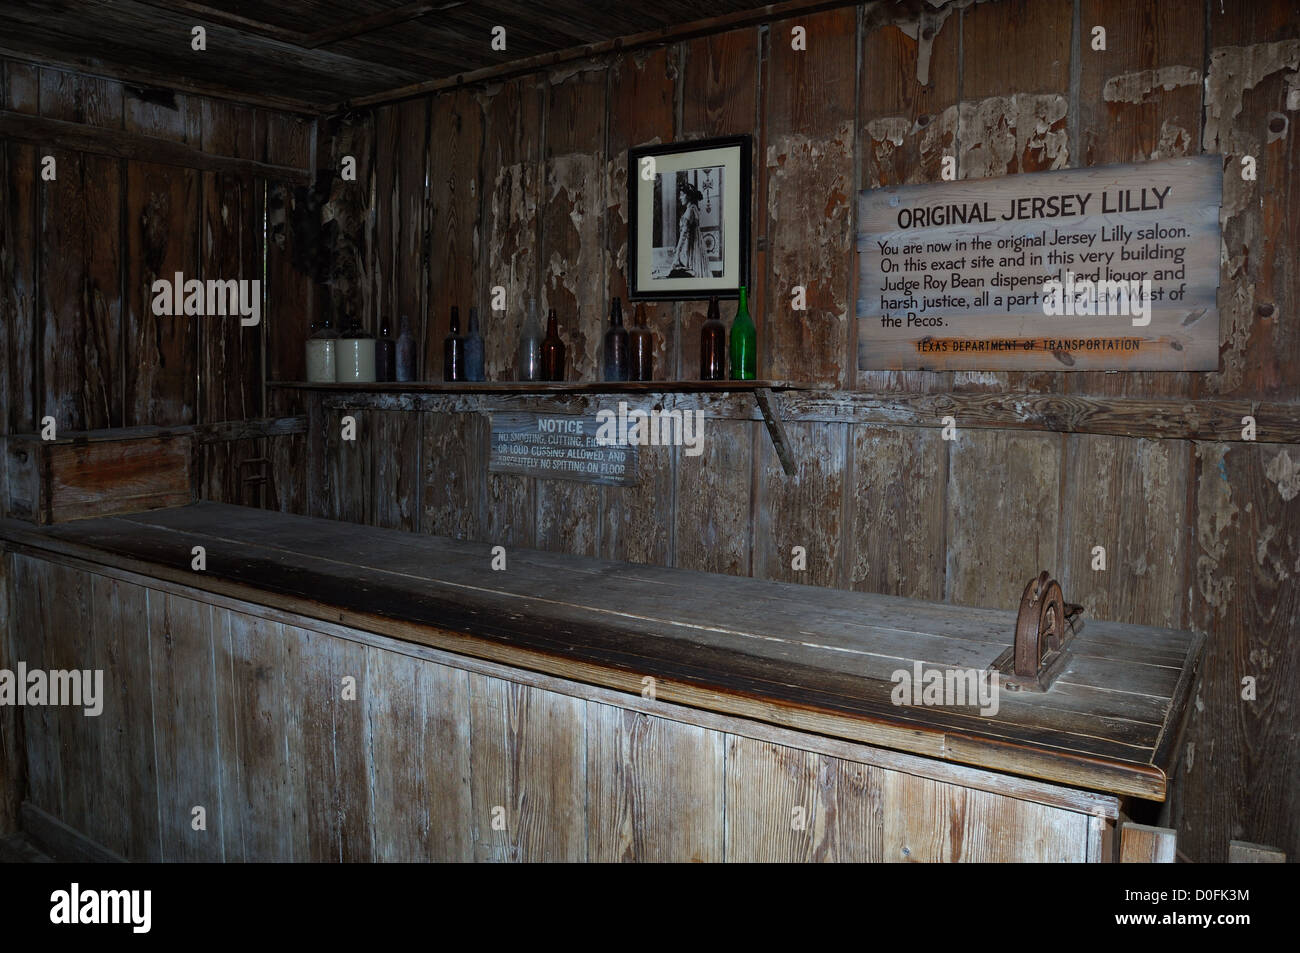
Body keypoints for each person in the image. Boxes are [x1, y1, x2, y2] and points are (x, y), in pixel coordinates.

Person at [671, 178, 711, 279]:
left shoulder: (689, 211)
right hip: (696, 246)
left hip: (691, 248)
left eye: (682, 195)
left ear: (688, 196)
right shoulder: (694, 208)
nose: (680, 198)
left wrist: (677, 253)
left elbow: (684, 235)